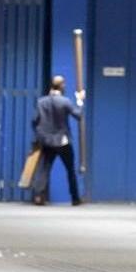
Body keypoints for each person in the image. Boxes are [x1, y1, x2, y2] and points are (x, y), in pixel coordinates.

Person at [30, 75, 85, 205]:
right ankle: (75, 198)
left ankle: (38, 196)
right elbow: (78, 115)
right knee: (70, 169)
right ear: (62, 86)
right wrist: (80, 101)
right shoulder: (65, 101)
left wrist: (39, 135)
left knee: (44, 168)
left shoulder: (41, 102)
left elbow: (34, 121)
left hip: (47, 140)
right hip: (62, 140)